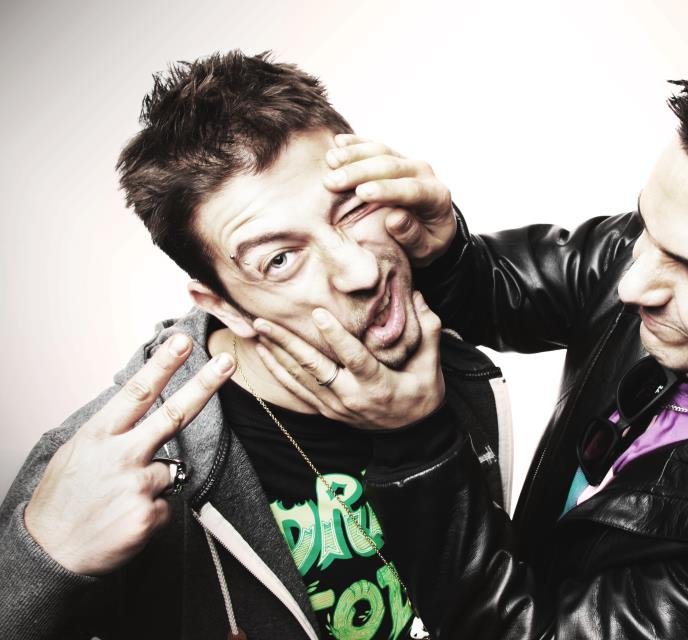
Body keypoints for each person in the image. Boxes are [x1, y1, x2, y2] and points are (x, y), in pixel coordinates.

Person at [273, 45, 688, 638]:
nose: (634, 285)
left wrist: (416, 442)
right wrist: (447, 249)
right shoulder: (676, 245)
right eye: (645, 227)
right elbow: (503, 292)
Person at [0, 51, 511, 640]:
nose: (361, 271)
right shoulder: (106, 463)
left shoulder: (453, 359)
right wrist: (42, 564)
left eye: (353, 209)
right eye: (281, 259)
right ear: (222, 305)